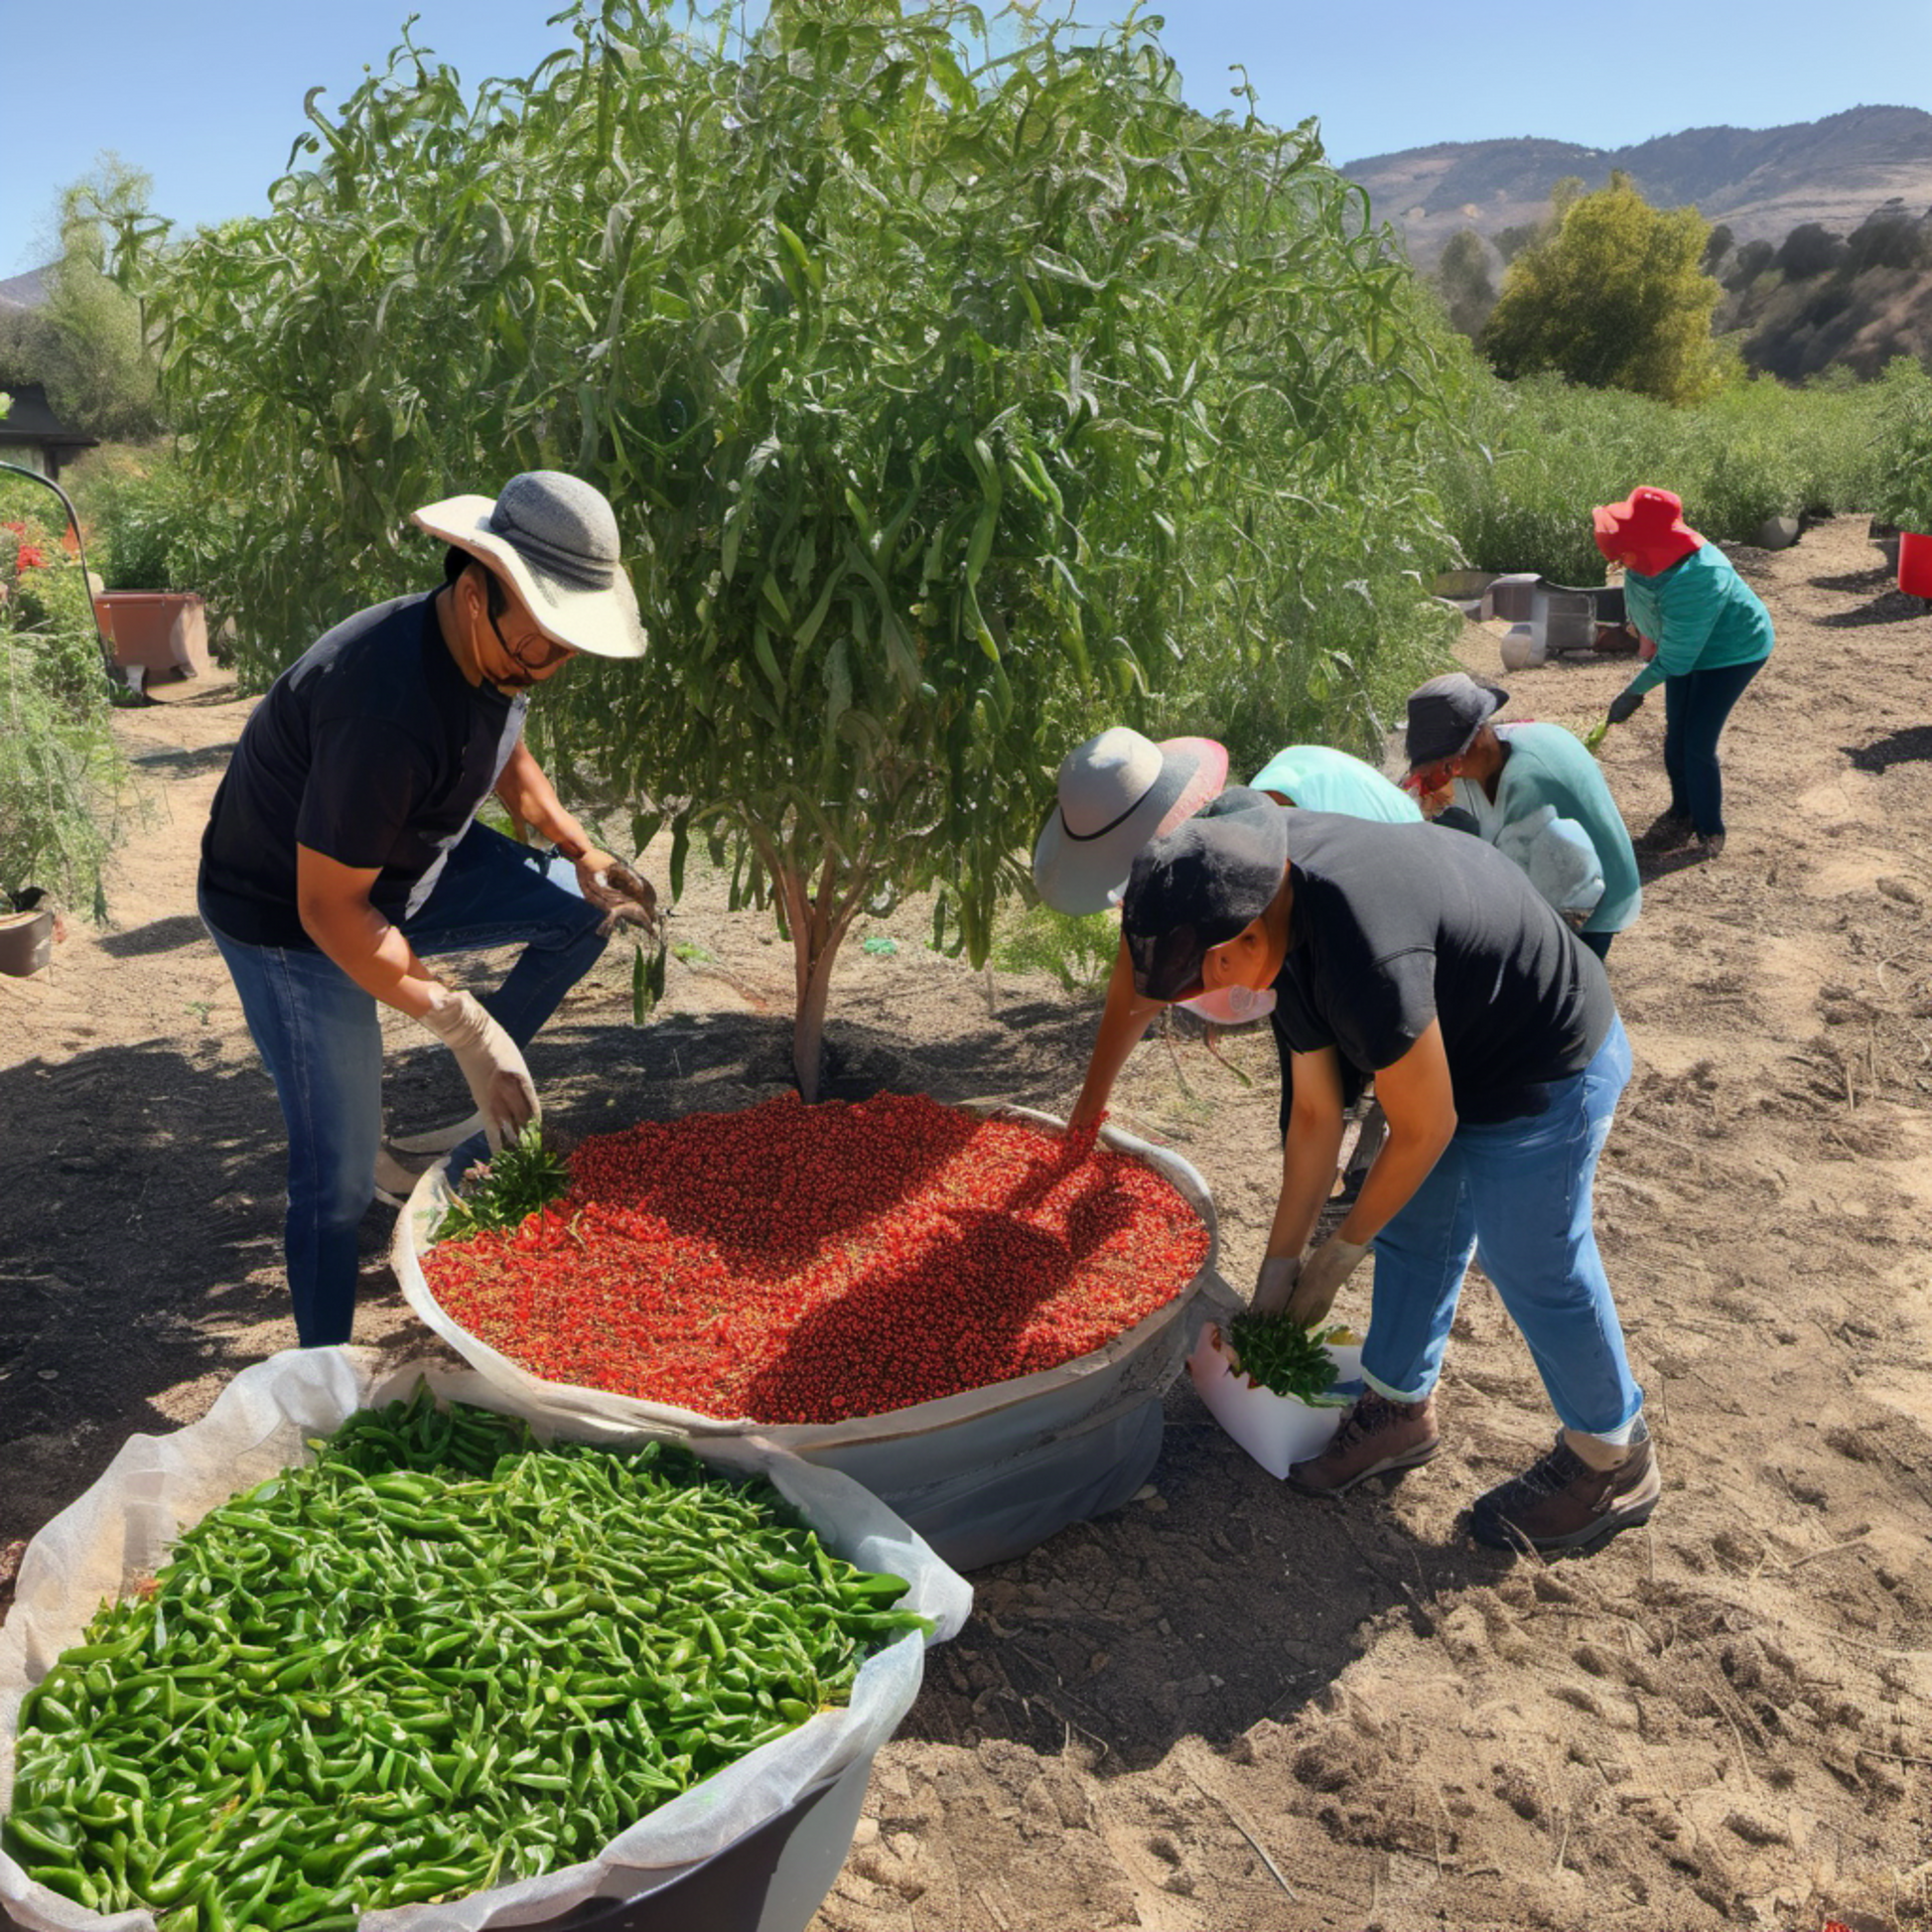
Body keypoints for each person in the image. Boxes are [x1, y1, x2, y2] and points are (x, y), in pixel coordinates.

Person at [1082, 789, 1656, 1555]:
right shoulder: (1258, 888)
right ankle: (1397, 1410)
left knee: (1534, 1257)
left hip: (1543, 1058)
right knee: (1417, 1230)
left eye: (1208, 978)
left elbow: (1426, 1126)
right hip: (1450, 1047)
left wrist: (1333, 1261)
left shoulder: (1363, 951)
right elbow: (1319, 1118)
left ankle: (1611, 1458)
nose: (1211, 995)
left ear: (1241, 941)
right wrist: (1280, 1264)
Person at [198, 471, 653, 1347]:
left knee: (579, 912)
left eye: (568, 647)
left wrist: (579, 848)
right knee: (334, 1184)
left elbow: (506, 744)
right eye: (543, 645)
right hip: (290, 918)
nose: (552, 666)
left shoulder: (492, 647)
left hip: (405, 867)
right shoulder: (386, 710)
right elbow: (332, 910)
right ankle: (324, 1378)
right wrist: (462, 1023)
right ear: (477, 592)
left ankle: (457, 1109)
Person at [1403, 673, 1640, 959]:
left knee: (1567, 986)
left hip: (1590, 889)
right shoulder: (1485, 755)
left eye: (1446, 765)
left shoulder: (1529, 785)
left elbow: (1533, 894)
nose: (1442, 775)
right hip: (1549, 861)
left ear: (1475, 740)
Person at [1594, 486, 1774, 860]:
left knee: (1697, 743)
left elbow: (1675, 661)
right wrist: (1643, 644)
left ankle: (1710, 829)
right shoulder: (1644, 562)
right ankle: (1681, 812)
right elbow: (1645, 609)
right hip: (1685, 647)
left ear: (1648, 538)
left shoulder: (1701, 576)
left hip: (1731, 653)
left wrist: (1633, 691)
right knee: (1675, 736)